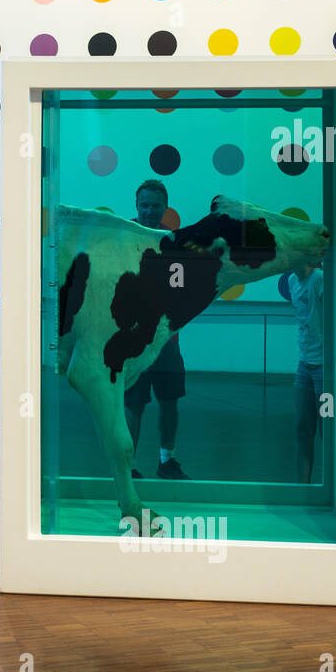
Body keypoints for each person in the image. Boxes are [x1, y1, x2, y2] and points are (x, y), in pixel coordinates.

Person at [123, 179, 190, 480]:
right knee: (133, 403)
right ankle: (129, 465)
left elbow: (180, 288)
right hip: (133, 339)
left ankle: (167, 461)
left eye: (155, 205)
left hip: (166, 339)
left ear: (165, 207)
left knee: (169, 400)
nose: (150, 210)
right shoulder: (123, 238)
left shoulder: (174, 242)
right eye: (145, 205)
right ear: (137, 206)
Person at [289, 260, 324, 485]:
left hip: (324, 365)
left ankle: (330, 487)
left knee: (326, 429)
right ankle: (303, 487)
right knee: (303, 428)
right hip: (304, 364)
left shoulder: (319, 279)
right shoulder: (293, 280)